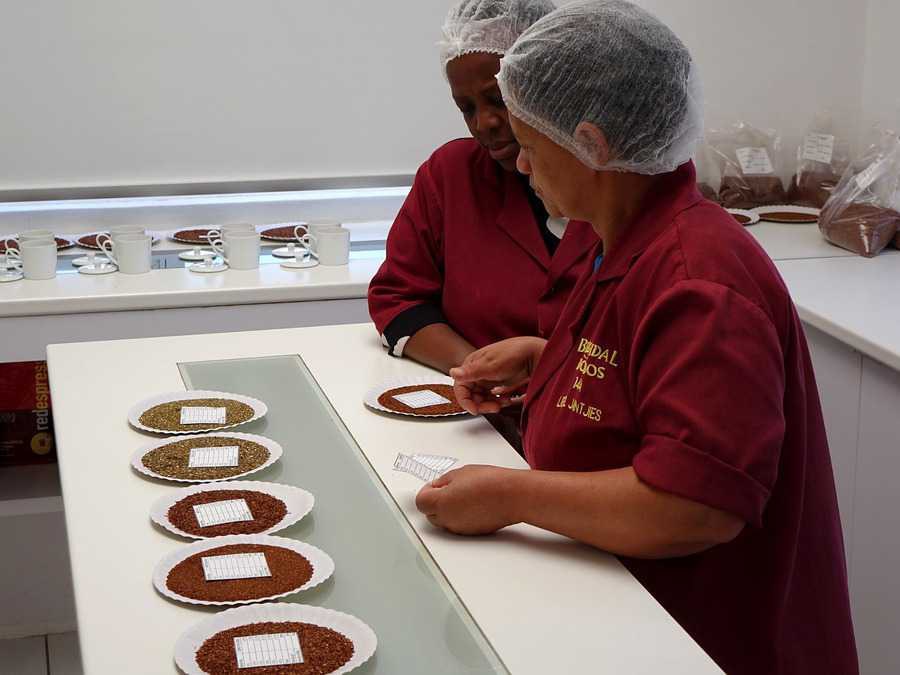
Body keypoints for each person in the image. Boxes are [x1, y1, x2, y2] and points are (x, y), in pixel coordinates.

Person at [415, 2, 858, 673]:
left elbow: (692, 506)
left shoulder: (700, 277)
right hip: (625, 616)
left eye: (532, 147)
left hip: (708, 642)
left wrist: (508, 495)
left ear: (591, 143)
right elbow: (645, 369)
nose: (524, 170)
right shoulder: (618, 238)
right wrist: (553, 360)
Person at [368, 0, 597, 375]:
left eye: (498, 99)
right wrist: (479, 370)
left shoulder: (617, 185)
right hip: (479, 414)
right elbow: (397, 297)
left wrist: (543, 379)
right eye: (466, 108)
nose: (484, 123)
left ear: (553, 83)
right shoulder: (453, 175)